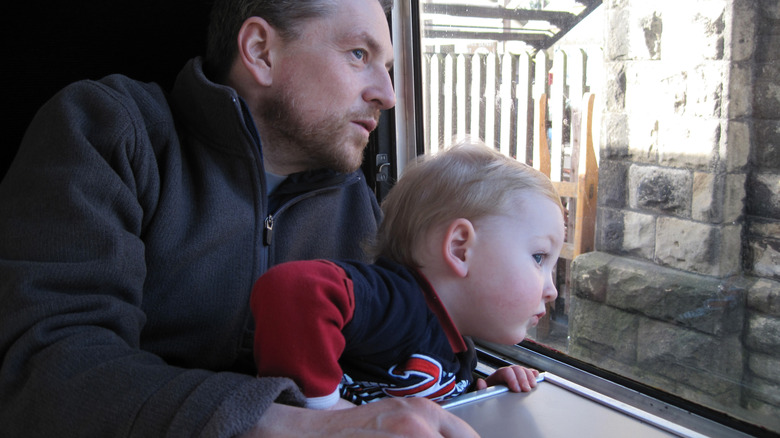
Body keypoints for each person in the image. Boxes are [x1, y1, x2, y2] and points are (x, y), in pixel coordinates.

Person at [0, 0, 481, 436]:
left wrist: (467, 381)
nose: (387, 94)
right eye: (359, 54)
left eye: (389, 67)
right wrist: (296, 427)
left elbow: (393, 343)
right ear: (260, 51)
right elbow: (45, 368)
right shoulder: (111, 132)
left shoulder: (353, 199)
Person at [251, 141, 565, 410]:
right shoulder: (393, 302)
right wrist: (324, 411)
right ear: (460, 249)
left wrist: (480, 394)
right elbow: (292, 291)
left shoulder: (459, 350)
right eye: (539, 257)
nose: (552, 290)